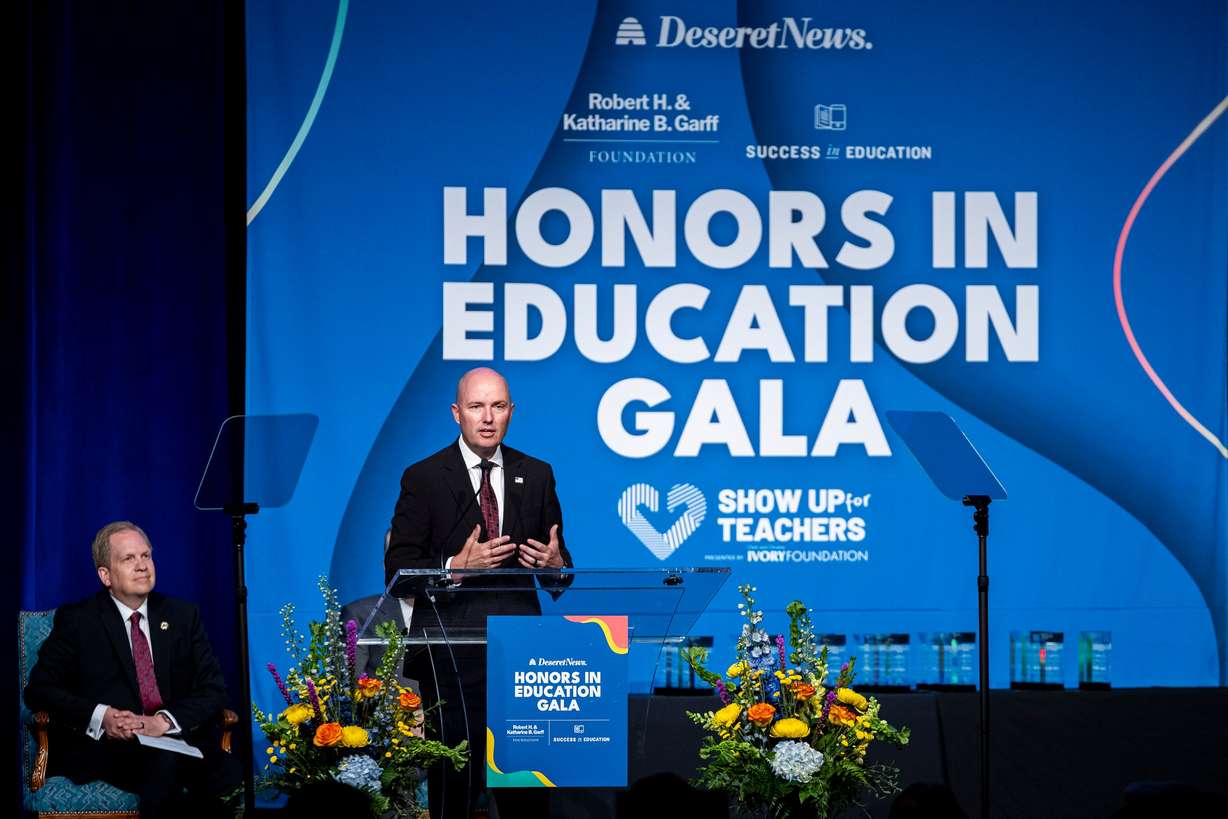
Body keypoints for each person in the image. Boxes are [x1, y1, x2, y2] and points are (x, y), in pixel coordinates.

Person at [385, 367, 571, 819]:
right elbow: (397, 572)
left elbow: (560, 566)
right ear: (456, 413)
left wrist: (555, 566)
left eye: (498, 406)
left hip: (522, 658)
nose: (487, 417)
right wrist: (454, 569)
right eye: (476, 406)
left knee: (526, 793)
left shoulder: (538, 473)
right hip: (450, 655)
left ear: (511, 412)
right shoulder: (424, 477)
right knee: (455, 791)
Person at [24, 521, 241, 818]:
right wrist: (104, 716)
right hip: (109, 746)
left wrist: (164, 721)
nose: (142, 566)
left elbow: (214, 689)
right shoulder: (78, 620)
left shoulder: (182, 616)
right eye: (128, 559)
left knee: (226, 769)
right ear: (105, 575)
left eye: (146, 556)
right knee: (164, 765)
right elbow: (39, 689)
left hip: (172, 739)